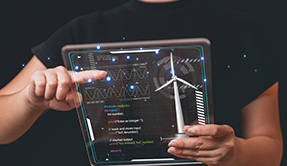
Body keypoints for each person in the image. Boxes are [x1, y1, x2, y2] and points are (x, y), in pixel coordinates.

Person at [0, 0, 283, 165]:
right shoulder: (81, 31)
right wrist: (29, 100)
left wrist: (236, 153)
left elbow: (270, 147)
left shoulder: (243, 31)